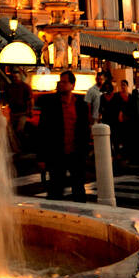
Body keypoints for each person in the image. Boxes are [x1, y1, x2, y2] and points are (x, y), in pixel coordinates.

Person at [40, 71, 90, 202]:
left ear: (72, 85)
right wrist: (42, 157)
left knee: (78, 189)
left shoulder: (81, 105)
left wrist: (85, 152)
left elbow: (85, 130)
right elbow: (43, 130)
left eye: (64, 82)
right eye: (60, 82)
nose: (61, 84)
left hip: (76, 153)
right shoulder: (51, 104)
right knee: (55, 189)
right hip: (57, 153)